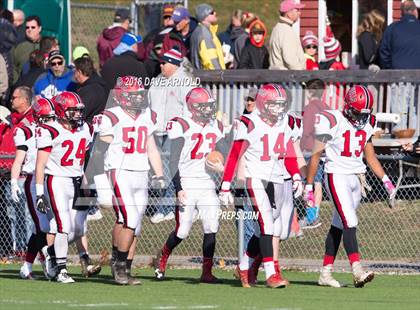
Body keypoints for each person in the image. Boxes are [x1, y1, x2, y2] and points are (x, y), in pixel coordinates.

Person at [305, 85, 397, 288]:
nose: (361, 117)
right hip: (336, 174)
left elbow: (370, 156)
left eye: (365, 113)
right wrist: (309, 185)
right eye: (357, 112)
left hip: (357, 177)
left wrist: (386, 180)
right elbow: (316, 154)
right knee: (350, 220)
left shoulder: (368, 122)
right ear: (347, 107)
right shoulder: (332, 119)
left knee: (339, 224)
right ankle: (357, 270)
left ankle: (325, 273)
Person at [219, 84, 303, 288]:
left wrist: (296, 176)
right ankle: (271, 275)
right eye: (275, 104)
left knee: (260, 231)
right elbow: (234, 155)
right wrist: (225, 186)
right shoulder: (249, 122)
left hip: (275, 179)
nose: (279, 109)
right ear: (264, 103)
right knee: (268, 224)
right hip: (256, 178)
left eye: (282, 105)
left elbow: (288, 153)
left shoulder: (286, 122)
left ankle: (244, 266)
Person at [96, 77, 165, 285]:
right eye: (132, 94)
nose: (137, 98)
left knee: (130, 222)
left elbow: (151, 147)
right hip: (120, 170)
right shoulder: (111, 116)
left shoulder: (147, 115)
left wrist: (159, 174)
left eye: (139, 94)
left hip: (141, 172)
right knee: (130, 219)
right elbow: (100, 148)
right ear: (121, 96)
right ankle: (120, 268)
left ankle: (123, 266)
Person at [154, 87, 226, 283]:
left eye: (210, 106)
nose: (209, 110)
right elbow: (173, 160)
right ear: (193, 107)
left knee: (211, 226)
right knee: (182, 231)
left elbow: (223, 152)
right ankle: (163, 256)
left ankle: (207, 271)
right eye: (204, 106)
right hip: (186, 181)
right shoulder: (182, 124)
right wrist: (178, 188)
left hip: (207, 183)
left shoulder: (217, 126)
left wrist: (221, 164)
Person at [35, 91, 94, 283]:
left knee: (77, 229)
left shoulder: (85, 128)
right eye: (73, 111)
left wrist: (86, 183)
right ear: (61, 111)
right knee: (63, 226)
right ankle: (61, 269)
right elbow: (40, 164)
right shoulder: (49, 130)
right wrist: (39, 193)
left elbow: (82, 160)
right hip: (57, 180)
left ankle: (49, 252)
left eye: (79, 111)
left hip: (75, 180)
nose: (78, 115)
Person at [149, 48, 195, 223]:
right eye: (160, 62)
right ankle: (167, 205)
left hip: (176, 132)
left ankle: (167, 208)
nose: (161, 65)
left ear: (175, 64)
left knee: (171, 169)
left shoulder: (185, 81)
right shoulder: (157, 81)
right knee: (161, 170)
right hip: (158, 131)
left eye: (164, 62)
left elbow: (190, 108)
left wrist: (184, 129)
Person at [11, 97, 55, 279]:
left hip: (52, 180)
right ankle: (50, 260)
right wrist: (14, 181)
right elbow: (19, 159)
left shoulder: (55, 130)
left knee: (46, 227)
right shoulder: (24, 131)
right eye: (45, 117)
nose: (49, 121)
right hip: (33, 182)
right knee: (42, 225)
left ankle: (28, 266)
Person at [3, 86, 35, 257]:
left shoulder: (33, 118)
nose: (11, 100)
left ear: (24, 100)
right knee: (13, 213)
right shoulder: (12, 118)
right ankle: (19, 249)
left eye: (15, 97)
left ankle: (31, 251)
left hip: (26, 174)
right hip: (11, 174)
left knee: (28, 214)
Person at [300, 79, 327, 228]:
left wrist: (300, 145)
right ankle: (313, 214)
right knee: (317, 183)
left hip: (311, 150)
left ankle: (311, 217)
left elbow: (306, 130)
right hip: (322, 151)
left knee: (309, 183)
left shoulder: (310, 108)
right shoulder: (327, 107)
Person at [380, 1, 420, 69]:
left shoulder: (392, 28)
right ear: (415, 11)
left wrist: (390, 68)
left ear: (401, 13)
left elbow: (384, 52)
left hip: (398, 75)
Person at [269, 0, 305, 70]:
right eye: (297, 10)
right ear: (289, 13)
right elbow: (290, 58)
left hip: (279, 76)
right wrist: (301, 73)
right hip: (287, 77)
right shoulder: (286, 30)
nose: (299, 13)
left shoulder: (278, 28)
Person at [190, 4, 225, 70]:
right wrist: (221, 76)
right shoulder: (204, 33)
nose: (215, 13)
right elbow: (211, 61)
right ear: (204, 17)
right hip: (211, 78)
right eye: (211, 13)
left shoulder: (202, 31)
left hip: (205, 76)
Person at [74, 55, 107, 123]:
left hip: (90, 128)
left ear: (79, 72)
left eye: (74, 71)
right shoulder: (100, 84)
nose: (73, 75)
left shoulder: (88, 91)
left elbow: (79, 115)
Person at [13, 15, 42, 83]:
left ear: (39, 28)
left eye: (33, 27)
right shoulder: (19, 46)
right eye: (27, 27)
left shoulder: (46, 44)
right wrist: (16, 82)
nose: (29, 30)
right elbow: (12, 66)